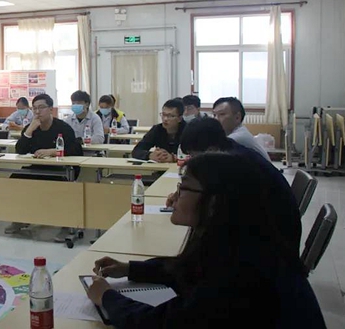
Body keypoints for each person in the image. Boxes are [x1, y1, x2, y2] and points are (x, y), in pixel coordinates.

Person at [87, 152, 325, 328]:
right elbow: (186, 269)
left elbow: (165, 323)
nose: (174, 197)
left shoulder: (241, 268)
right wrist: (129, 268)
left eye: (184, 188)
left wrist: (107, 298)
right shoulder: (236, 238)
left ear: (214, 203)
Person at [170, 117, 301, 250]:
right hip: (276, 235)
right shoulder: (233, 152)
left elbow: (218, 215)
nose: (193, 160)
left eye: (193, 155)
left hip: (270, 245)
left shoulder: (234, 167)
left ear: (211, 149)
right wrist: (183, 196)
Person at [12, 93, 83, 241]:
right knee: (16, 178)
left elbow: (76, 150)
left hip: (61, 170)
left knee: (62, 186)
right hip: (38, 168)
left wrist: (53, 151)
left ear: (51, 109)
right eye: (34, 108)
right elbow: (20, 150)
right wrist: (29, 130)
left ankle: (67, 225)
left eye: (41, 107)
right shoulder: (32, 127)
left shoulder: (63, 127)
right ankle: (21, 218)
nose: (37, 112)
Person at [213, 96, 270, 161]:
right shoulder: (237, 132)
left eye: (222, 114)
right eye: (214, 115)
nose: (215, 119)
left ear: (237, 117)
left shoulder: (238, 137)